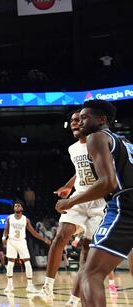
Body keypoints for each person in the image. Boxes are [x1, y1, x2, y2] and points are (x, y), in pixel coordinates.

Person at [56, 100, 133, 307]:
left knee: (91, 273)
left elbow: (108, 182)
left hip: (125, 205)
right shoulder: (125, 141)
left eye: (84, 117)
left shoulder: (97, 137)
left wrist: (71, 201)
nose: (79, 122)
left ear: (102, 119)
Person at [40, 110, 115, 304]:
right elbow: (79, 171)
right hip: (80, 197)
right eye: (72, 121)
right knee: (61, 235)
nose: (74, 123)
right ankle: (47, 288)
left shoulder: (100, 142)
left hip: (100, 201)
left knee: (86, 253)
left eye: (78, 120)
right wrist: (68, 185)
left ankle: (73, 300)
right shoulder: (73, 148)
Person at [2, 200, 51, 294]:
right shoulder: (9, 218)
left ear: (22, 208)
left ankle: (30, 285)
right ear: (13, 208)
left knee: (27, 262)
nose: (17, 207)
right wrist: (3, 237)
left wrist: (44, 239)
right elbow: (6, 230)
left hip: (21, 242)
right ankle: (9, 285)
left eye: (18, 206)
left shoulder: (25, 219)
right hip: (11, 241)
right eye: (15, 206)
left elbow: (33, 232)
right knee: (10, 263)